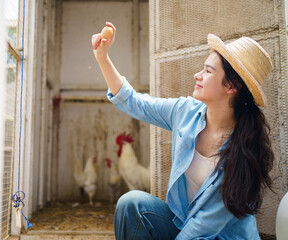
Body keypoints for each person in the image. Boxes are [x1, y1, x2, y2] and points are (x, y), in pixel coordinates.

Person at [92, 22, 274, 239]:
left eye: (207, 71)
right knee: (131, 205)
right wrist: (102, 57)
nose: (197, 75)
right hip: (184, 224)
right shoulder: (186, 112)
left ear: (231, 86)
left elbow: (202, 227)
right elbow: (133, 102)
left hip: (218, 236)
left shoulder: (244, 148)